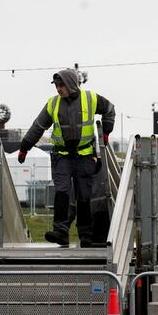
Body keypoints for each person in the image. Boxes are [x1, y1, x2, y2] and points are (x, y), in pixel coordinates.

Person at [18, 68, 115, 247]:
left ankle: (86, 235)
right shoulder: (53, 104)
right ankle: (61, 232)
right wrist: (24, 148)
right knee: (62, 192)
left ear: (70, 84)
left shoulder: (91, 98)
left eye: (61, 85)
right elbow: (37, 126)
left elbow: (109, 109)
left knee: (84, 196)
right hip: (62, 157)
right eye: (56, 85)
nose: (58, 89)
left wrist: (106, 132)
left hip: (85, 156)